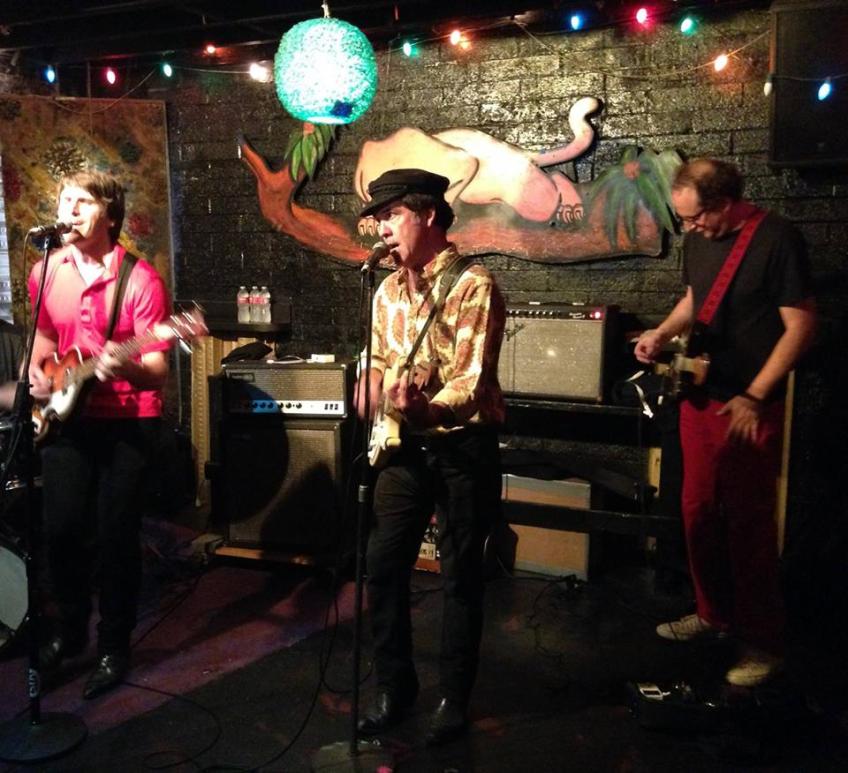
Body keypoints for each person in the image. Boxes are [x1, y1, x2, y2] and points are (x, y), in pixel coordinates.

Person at [635, 158, 817, 687]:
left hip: (748, 404)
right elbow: (696, 298)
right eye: (684, 219)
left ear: (726, 203)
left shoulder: (777, 239)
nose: (690, 228)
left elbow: (802, 326)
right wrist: (662, 333)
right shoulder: (699, 238)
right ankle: (713, 614)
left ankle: (764, 642)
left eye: (696, 218)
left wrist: (757, 395)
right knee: (696, 512)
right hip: (700, 395)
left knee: (748, 524)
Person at [354, 168, 506, 745]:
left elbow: (470, 381)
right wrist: (368, 388)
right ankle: (395, 687)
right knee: (382, 565)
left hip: (462, 446)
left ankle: (453, 698)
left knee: (460, 575)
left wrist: (426, 409)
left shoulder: (473, 284)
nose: (382, 228)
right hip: (403, 446)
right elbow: (376, 359)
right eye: (378, 218)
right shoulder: (385, 291)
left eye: (392, 215)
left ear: (430, 215)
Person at [27, 169, 171, 699]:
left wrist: (124, 366)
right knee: (61, 530)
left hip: (129, 421)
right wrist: (40, 371)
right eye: (63, 200)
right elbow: (46, 336)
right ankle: (70, 631)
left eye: (81, 202)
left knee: (116, 536)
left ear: (109, 214)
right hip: (68, 418)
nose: (68, 211)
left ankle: (114, 645)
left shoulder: (141, 280)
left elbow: (156, 370)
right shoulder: (46, 269)